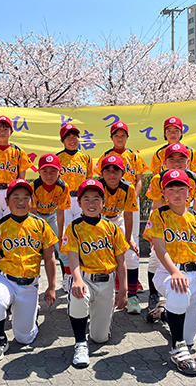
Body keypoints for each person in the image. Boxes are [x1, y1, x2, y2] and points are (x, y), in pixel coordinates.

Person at [143, 169, 196, 376]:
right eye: (171, 188)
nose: (176, 193)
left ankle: (166, 313)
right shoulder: (159, 215)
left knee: (189, 337)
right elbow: (159, 248)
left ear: (190, 191)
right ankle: (177, 348)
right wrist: (175, 272)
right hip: (167, 272)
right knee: (178, 290)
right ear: (163, 193)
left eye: (181, 188)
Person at [0, 179, 58, 362]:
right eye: (16, 197)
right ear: (7, 202)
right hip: (5, 279)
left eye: (26, 197)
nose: (21, 201)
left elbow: (49, 258)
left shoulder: (41, 225)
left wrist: (52, 287)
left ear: (32, 201)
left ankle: (32, 314)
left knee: (25, 338)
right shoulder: (0, 225)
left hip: (29, 284)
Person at [144, 143, 196, 318]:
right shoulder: (158, 179)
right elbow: (157, 207)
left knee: (194, 269)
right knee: (156, 261)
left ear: (188, 161)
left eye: (181, 159)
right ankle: (155, 296)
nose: (176, 163)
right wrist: (155, 236)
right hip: (165, 228)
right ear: (165, 162)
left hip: (188, 227)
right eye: (172, 159)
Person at [61, 178, 129, 368]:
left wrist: (123, 290)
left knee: (100, 339)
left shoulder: (112, 228)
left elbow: (121, 261)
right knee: (78, 296)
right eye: (87, 199)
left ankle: (98, 327)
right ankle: (80, 343)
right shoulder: (74, 227)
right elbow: (73, 257)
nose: (92, 204)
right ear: (79, 202)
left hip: (107, 283)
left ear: (104, 202)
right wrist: (76, 280)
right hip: (85, 279)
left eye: (96, 199)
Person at [96, 122, 148, 310]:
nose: (119, 138)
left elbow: (140, 179)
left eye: (122, 135)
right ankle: (102, 292)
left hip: (123, 211)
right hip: (102, 217)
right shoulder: (104, 162)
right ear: (111, 137)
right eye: (116, 135)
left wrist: (128, 239)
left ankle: (131, 296)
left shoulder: (133, 157)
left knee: (131, 250)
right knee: (101, 251)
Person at [98, 154, 141, 314]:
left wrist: (128, 239)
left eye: (116, 170)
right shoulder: (97, 186)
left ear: (122, 173)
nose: (111, 174)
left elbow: (129, 216)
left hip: (118, 219)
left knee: (130, 254)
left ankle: (133, 297)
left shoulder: (128, 187)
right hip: (99, 220)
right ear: (101, 173)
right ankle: (98, 296)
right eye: (107, 170)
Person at [56, 124, 94, 292]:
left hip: (81, 200)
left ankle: (83, 273)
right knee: (65, 238)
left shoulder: (86, 158)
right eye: (68, 137)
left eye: (75, 136)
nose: (72, 139)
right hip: (63, 200)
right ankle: (67, 275)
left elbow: (90, 181)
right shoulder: (57, 158)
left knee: (82, 236)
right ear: (62, 140)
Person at [0, 115, 32, 232]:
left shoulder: (18, 152)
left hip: (11, 191)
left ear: (11, 132)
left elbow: (22, 178)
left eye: (5, 128)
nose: (2, 132)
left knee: (12, 227)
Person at [30, 153, 70, 285]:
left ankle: (68, 279)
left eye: (53, 171)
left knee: (63, 248)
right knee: (34, 248)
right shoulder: (34, 186)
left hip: (52, 215)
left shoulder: (63, 186)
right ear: (39, 172)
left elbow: (60, 212)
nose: (49, 175)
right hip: (37, 217)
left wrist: (59, 236)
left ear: (59, 172)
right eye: (45, 171)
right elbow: (33, 212)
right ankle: (32, 281)